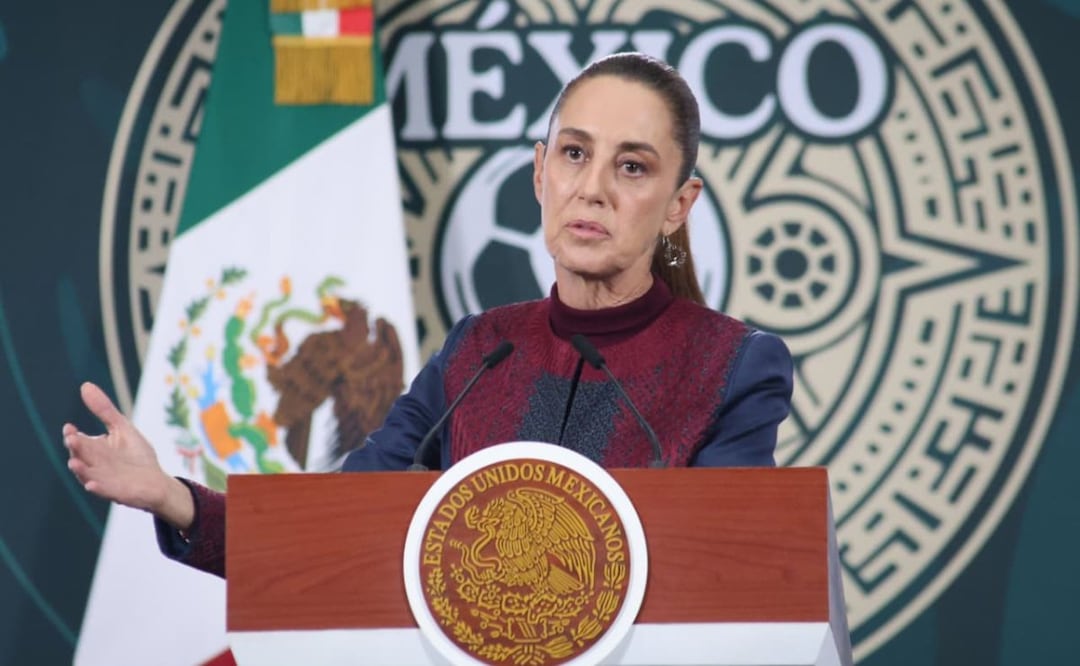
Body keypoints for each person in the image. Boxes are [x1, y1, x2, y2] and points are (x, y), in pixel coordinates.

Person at [64, 53, 794, 579]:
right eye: (575, 154)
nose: (593, 188)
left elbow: (729, 573)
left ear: (679, 205)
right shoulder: (482, 349)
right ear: (541, 174)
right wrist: (176, 499)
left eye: (632, 167)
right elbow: (340, 527)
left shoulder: (732, 365)